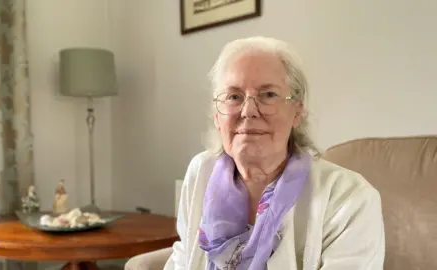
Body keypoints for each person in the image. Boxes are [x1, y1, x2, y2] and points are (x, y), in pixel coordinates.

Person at [164, 36, 384, 270]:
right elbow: (182, 259)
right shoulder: (201, 172)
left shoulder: (349, 198)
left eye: (268, 95)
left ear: (297, 111)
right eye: (234, 97)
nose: (248, 111)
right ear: (218, 116)